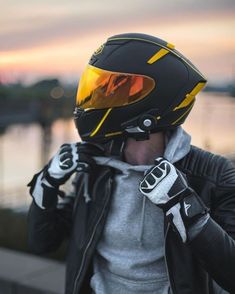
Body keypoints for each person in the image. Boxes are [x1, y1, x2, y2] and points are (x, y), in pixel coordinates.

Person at [27, 33, 235, 294]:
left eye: (117, 87)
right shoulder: (94, 168)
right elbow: (42, 243)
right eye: (100, 86)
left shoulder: (214, 174)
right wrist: (45, 184)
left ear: (154, 101)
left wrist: (186, 208)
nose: (100, 96)